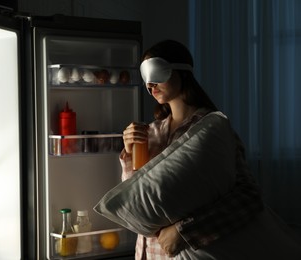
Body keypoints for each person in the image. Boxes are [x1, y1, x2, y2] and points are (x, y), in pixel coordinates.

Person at [120, 40, 301, 259]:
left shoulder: (211, 130)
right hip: (149, 252)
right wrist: (129, 153)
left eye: (156, 72)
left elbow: (247, 197)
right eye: (145, 76)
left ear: (181, 71)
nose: (150, 84)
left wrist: (184, 231)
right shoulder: (151, 133)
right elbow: (136, 201)